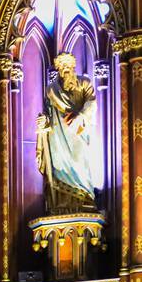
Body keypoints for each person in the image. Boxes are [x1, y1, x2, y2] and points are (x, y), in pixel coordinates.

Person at [36, 52, 97, 213]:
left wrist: (80, 116)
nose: (66, 69)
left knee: (80, 165)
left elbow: (92, 103)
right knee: (59, 168)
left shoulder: (84, 83)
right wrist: (45, 122)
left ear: (73, 66)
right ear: (58, 69)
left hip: (78, 133)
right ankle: (61, 203)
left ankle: (85, 197)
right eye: (62, 66)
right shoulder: (51, 90)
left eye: (69, 66)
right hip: (57, 137)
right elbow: (48, 112)